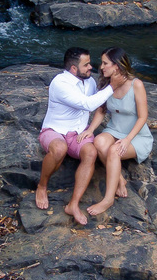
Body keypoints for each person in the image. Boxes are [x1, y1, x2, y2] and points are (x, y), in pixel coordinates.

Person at [37, 47, 114, 225]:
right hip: (54, 130)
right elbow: (88, 104)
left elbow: (100, 105)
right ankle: (42, 186)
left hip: (79, 132)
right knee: (59, 148)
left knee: (91, 153)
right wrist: (113, 86)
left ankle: (73, 204)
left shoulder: (90, 82)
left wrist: (90, 129)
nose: (91, 67)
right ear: (73, 68)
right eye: (86, 65)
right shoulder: (60, 83)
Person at [84, 47, 152, 217]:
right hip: (114, 130)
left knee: (114, 150)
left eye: (105, 63)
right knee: (98, 141)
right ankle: (120, 179)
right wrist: (90, 129)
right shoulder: (108, 84)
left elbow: (143, 117)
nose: (101, 67)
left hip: (136, 136)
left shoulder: (136, 84)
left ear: (116, 66)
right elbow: (101, 110)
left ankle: (108, 199)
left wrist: (128, 140)